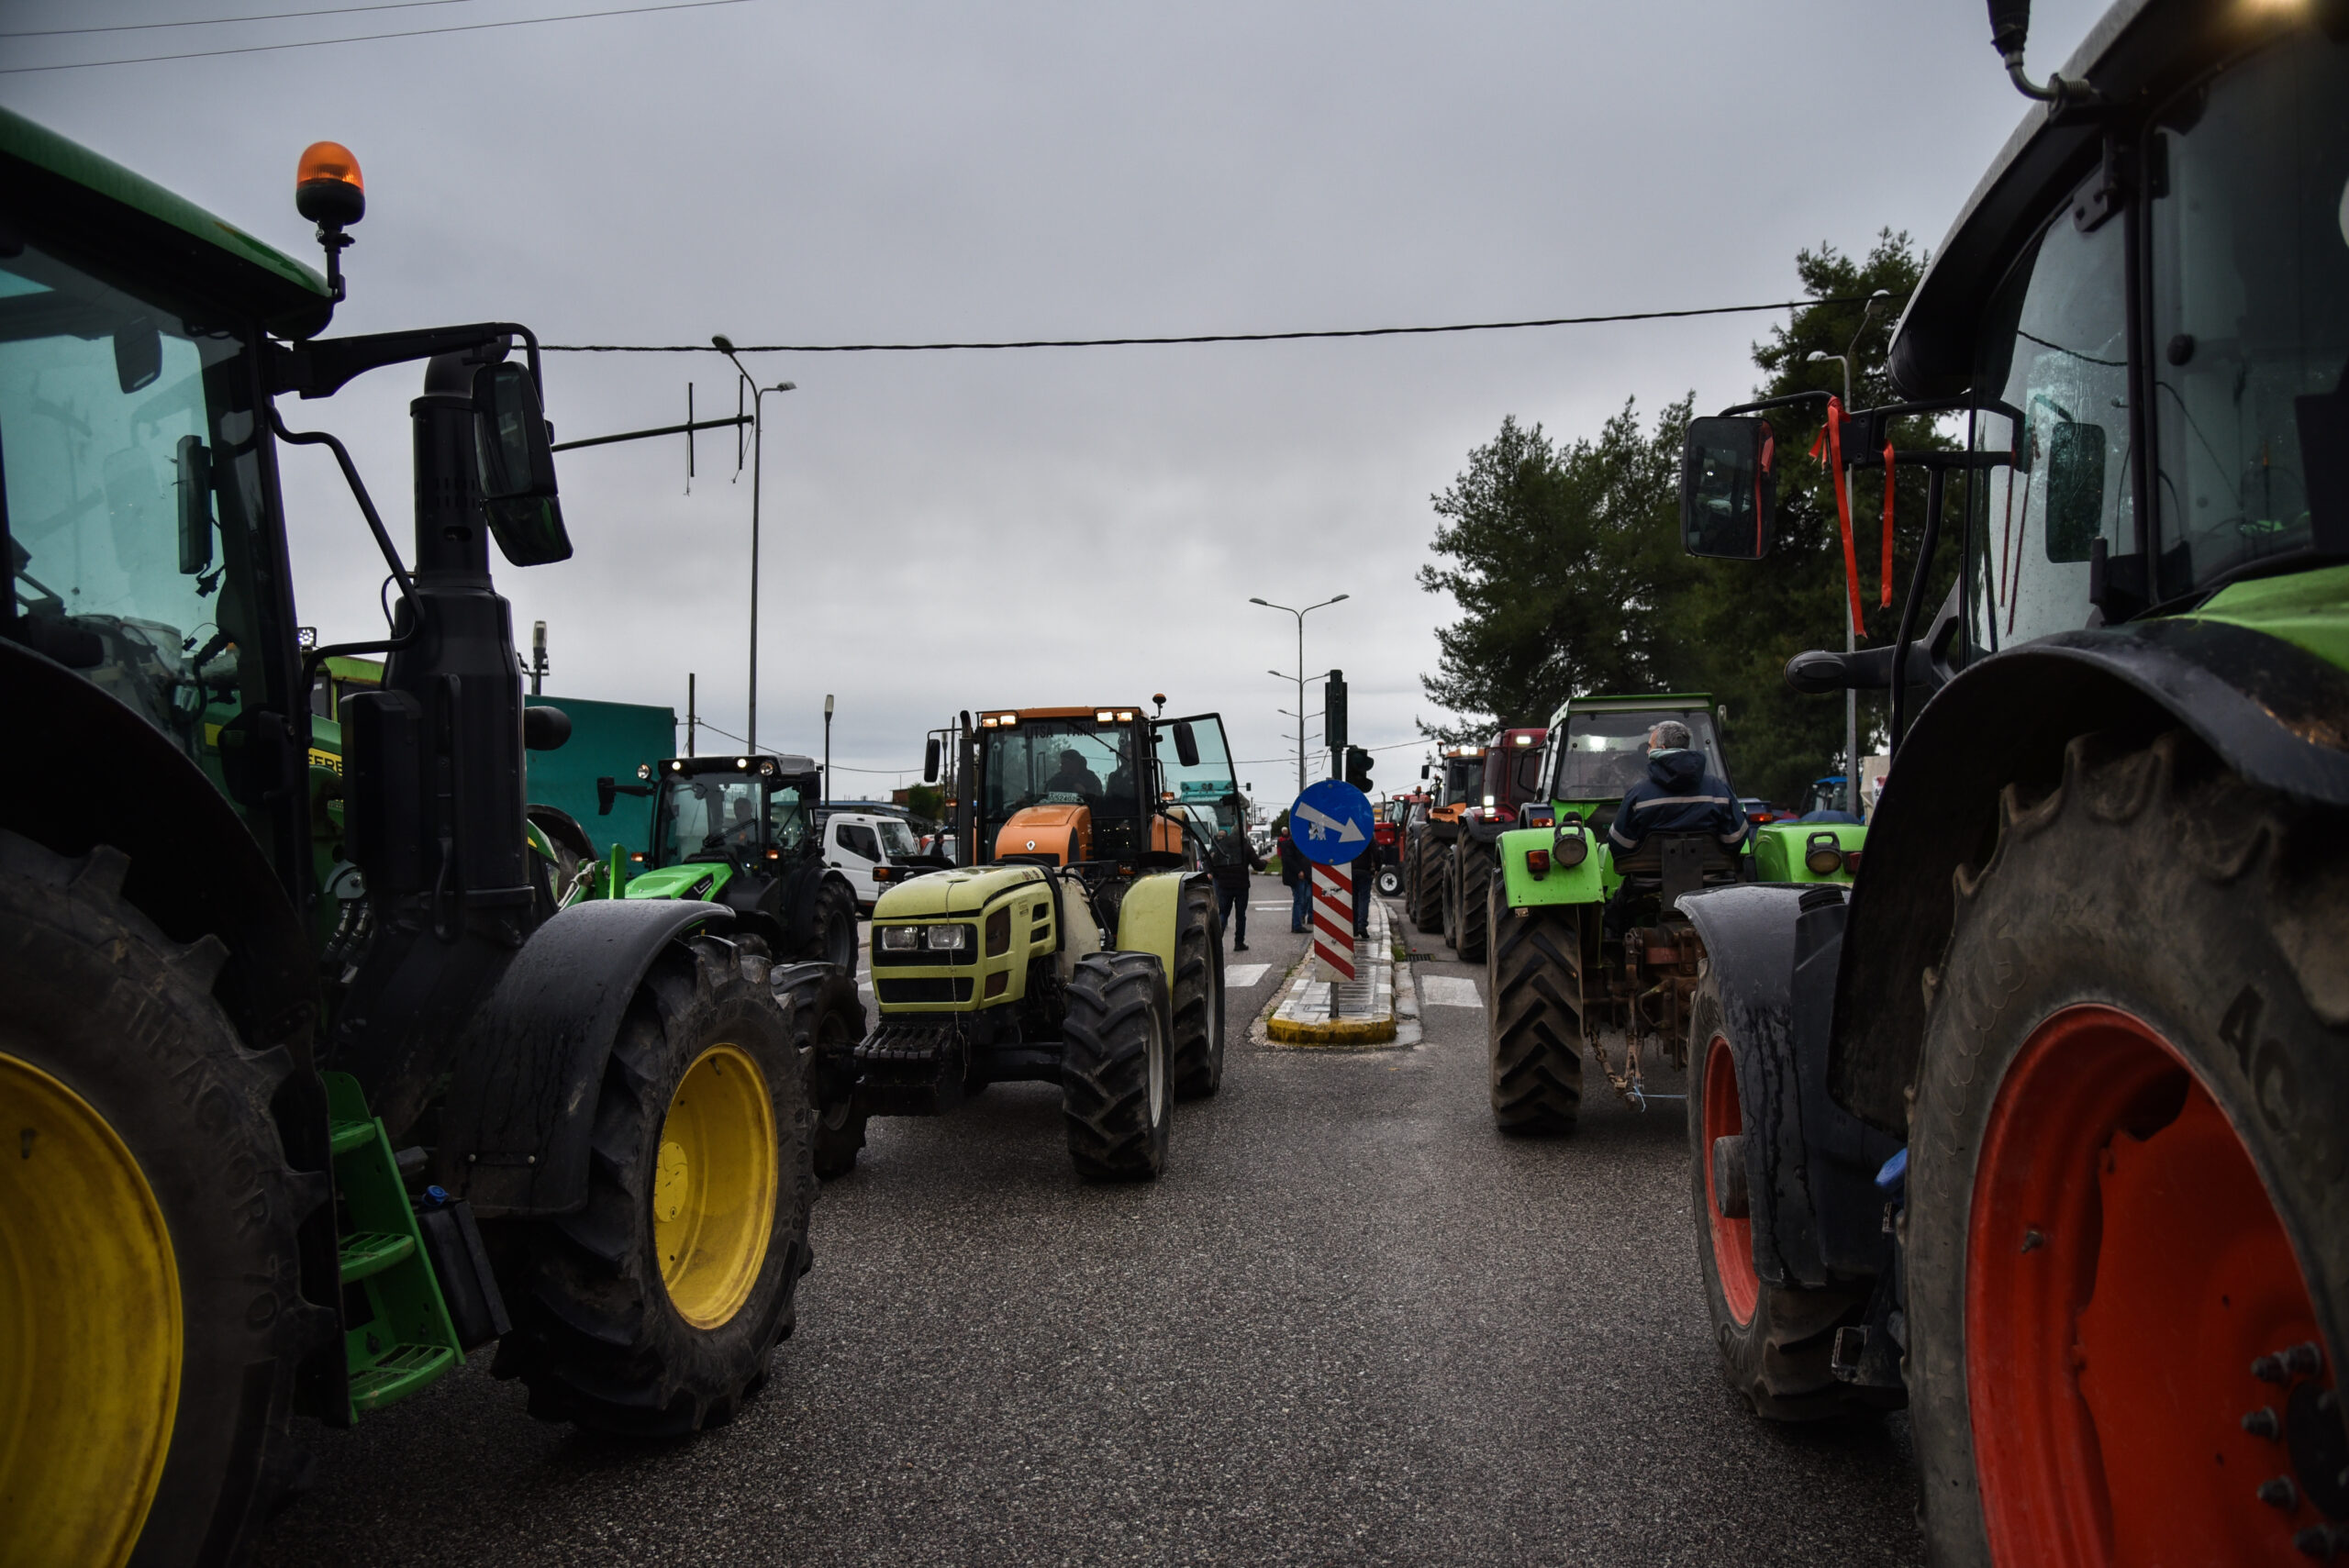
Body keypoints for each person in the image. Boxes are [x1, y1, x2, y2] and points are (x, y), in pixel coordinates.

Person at [1607, 719, 1746, 862]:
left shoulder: (1637, 794)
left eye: (1650, 746)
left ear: (1662, 748)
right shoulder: (1719, 790)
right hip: (1713, 880)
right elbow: (1735, 838)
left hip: (1648, 881)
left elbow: (1619, 845)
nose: (1647, 751)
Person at [1208, 796, 1265, 951]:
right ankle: (1238, 943)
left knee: (1223, 914)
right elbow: (1258, 865)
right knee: (1241, 916)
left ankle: (1215, 946)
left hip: (1225, 886)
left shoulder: (1223, 845)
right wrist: (1265, 863)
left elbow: (1213, 863)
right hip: (1241, 886)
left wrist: (1217, 876)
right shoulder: (1245, 846)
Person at [1278, 826, 1308, 932]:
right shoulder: (1290, 844)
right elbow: (1289, 860)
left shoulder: (1293, 843)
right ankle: (1297, 925)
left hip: (1298, 876)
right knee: (1299, 900)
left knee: (1299, 900)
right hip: (1296, 877)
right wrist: (1299, 871)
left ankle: (1296, 924)